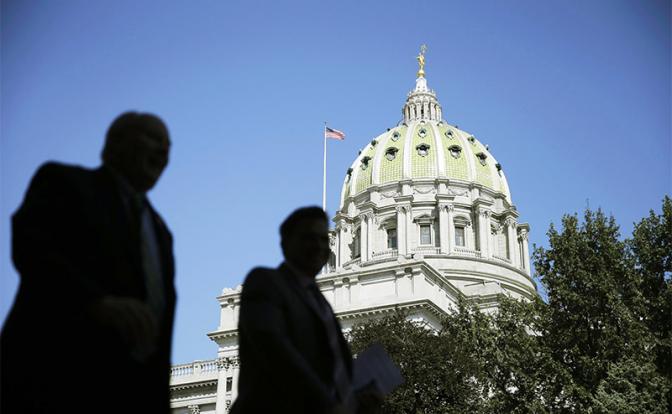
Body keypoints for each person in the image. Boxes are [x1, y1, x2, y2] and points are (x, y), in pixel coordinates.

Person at [0, 112, 176, 414]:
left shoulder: (161, 232)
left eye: (168, 145)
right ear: (115, 142)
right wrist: (95, 301)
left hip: (123, 393)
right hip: (53, 376)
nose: (163, 151)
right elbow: (33, 248)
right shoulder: (65, 183)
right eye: (153, 138)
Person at [231, 207, 381, 414]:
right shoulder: (265, 281)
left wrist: (358, 401)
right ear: (286, 244)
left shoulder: (322, 303)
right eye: (309, 238)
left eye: (323, 239)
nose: (319, 246)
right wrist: (327, 403)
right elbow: (273, 348)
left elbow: (336, 369)